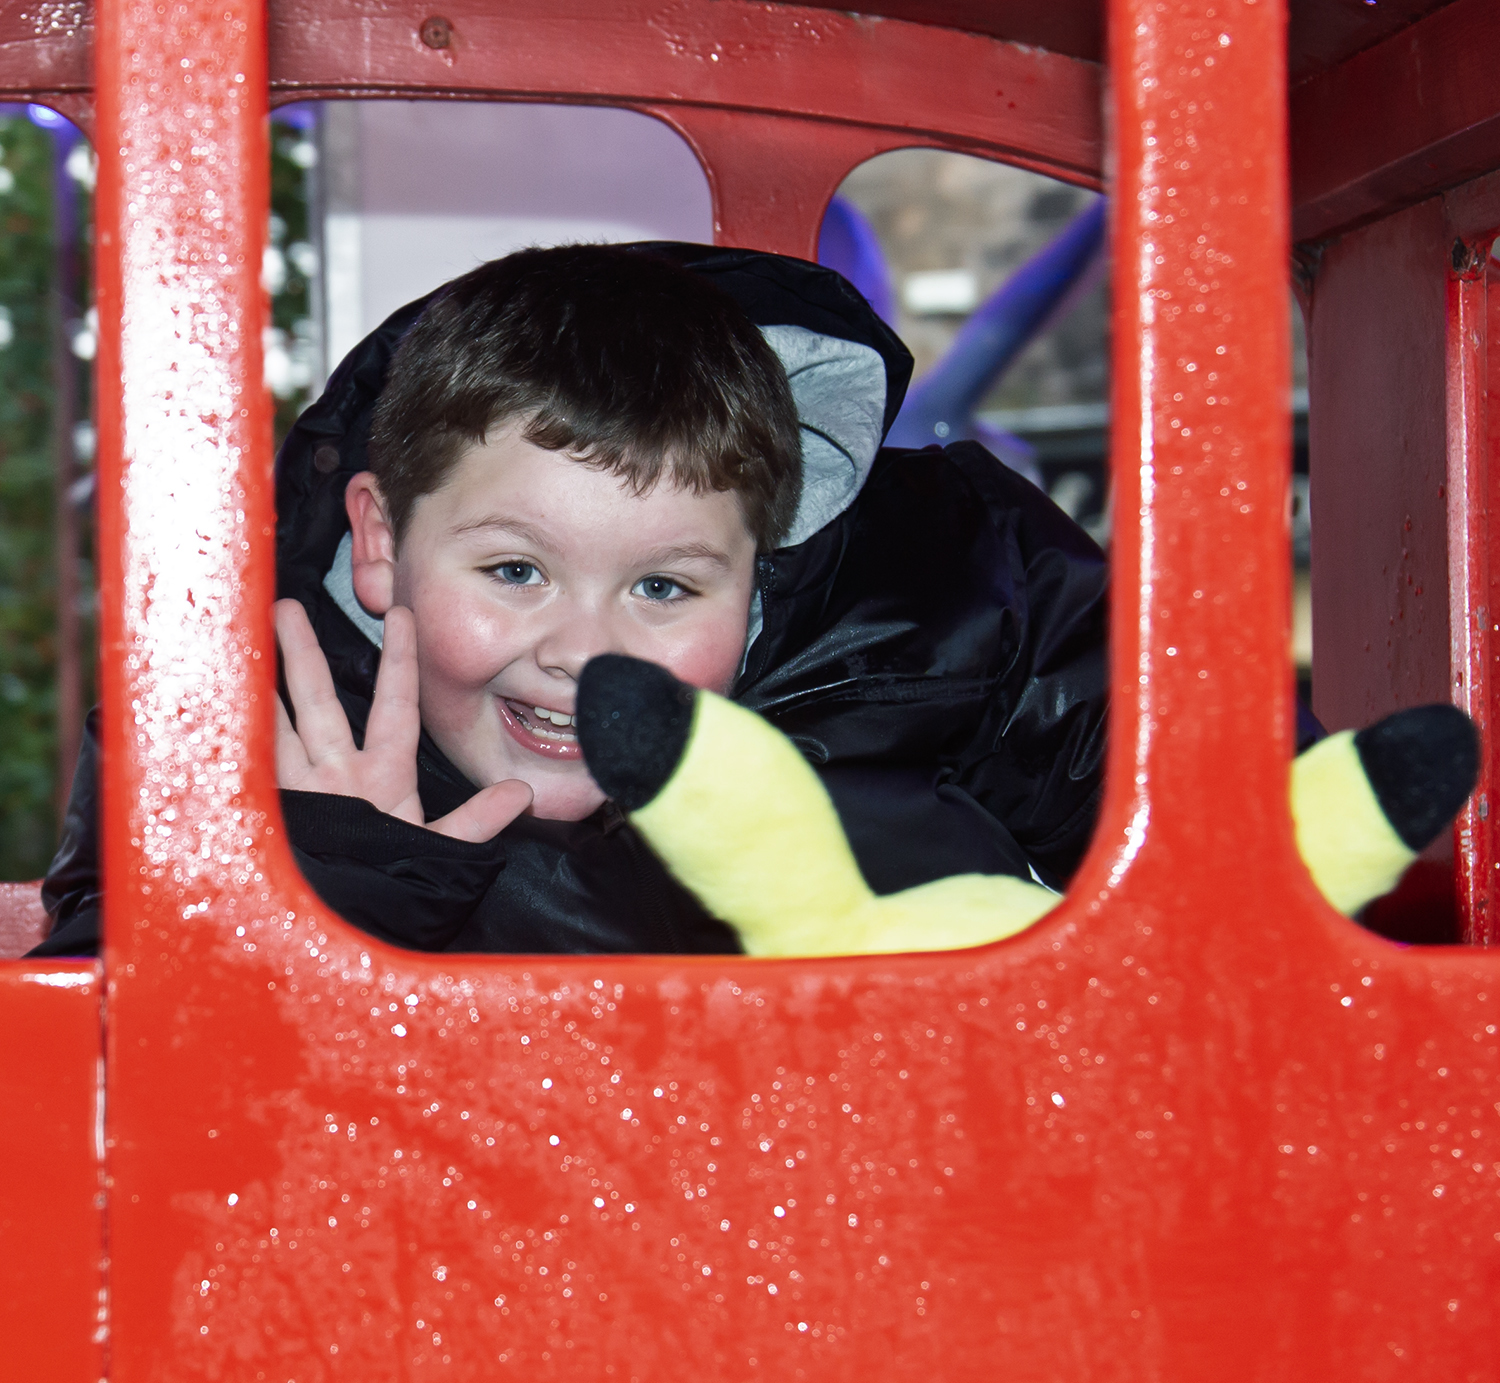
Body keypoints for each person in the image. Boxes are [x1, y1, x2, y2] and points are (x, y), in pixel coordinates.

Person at [33, 241, 1111, 957]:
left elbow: (1225, 848)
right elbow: (108, 1117)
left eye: (662, 585)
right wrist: (335, 895)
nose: (586, 652)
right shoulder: (234, 737)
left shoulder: (956, 627)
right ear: (380, 540)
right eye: (516, 572)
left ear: (759, 573)